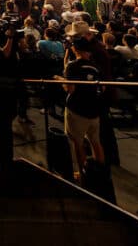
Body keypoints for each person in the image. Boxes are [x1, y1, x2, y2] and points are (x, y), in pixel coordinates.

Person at [61, 38, 104, 178]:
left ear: (75, 49)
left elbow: (70, 89)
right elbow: (102, 87)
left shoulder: (73, 66)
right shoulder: (96, 66)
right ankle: (101, 172)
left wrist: (60, 81)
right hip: (94, 109)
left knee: (77, 143)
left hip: (77, 109)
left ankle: (83, 173)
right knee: (96, 142)